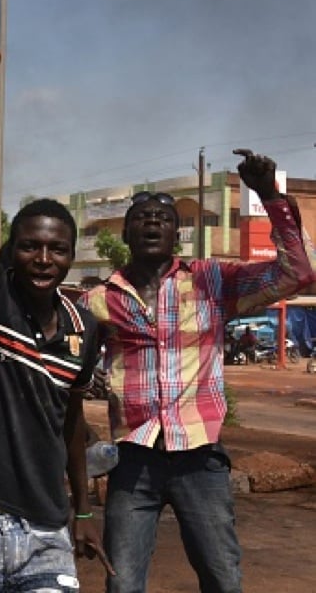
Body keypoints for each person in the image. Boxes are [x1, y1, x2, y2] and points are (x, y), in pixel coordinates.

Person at [83, 149, 315, 593]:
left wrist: (270, 195)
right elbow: (68, 368)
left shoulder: (213, 282)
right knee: (122, 583)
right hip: (133, 461)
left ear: (178, 234)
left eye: (163, 218)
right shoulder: (100, 299)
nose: (152, 222)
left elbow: (299, 273)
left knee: (222, 579)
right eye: (141, 218)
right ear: (126, 233)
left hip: (200, 458)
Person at [0, 51, 111, 592]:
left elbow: (71, 423)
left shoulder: (84, 327)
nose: (43, 258)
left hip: (48, 528)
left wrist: (83, 510)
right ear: (11, 251)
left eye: (56, 249)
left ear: (71, 256)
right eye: (30, 246)